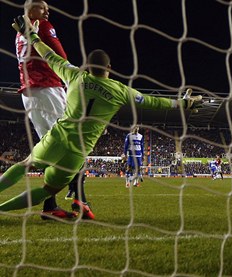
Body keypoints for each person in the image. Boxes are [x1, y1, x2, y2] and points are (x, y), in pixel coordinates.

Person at [0, 15, 201, 217]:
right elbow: (153, 101)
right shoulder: (120, 90)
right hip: (78, 151)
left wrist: (33, 37)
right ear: (109, 69)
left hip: (57, 138)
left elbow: (49, 56)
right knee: (47, 191)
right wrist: (182, 103)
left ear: (87, 67)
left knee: (24, 166)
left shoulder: (75, 75)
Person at [15, 0, 90, 220]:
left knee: (55, 151)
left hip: (31, 95)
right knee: (75, 143)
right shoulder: (44, 27)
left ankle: (57, 203)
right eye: (42, 7)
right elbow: (60, 57)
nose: (47, 11)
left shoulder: (19, 32)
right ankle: (79, 198)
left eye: (47, 8)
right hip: (47, 90)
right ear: (30, 10)